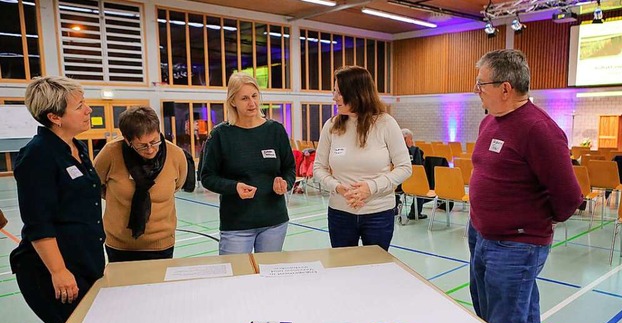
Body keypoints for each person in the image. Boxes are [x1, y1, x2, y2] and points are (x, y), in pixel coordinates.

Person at [468, 49, 582, 323]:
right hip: (481, 234)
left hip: (516, 244)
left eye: (481, 84)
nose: (477, 90)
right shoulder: (489, 122)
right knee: (503, 311)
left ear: (505, 88)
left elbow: (569, 197)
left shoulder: (538, 129)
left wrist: (537, 223)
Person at [9, 76, 105, 323]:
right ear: (55, 117)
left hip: (85, 261)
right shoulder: (38, 155)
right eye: (79, 106)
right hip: (53, 270)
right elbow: (38, 222)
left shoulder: (76, 147)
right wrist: (59, 271)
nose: (88, 109)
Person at [314, 66, 411, 251]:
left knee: (375, 269)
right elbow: (318, 168)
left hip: (378, 213)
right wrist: (338, 188)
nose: (334, 97)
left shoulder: (386, 123)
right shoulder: (331, 126)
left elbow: (405, 167)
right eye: (334, 91)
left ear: (357, 93)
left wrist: (371, 188)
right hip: (340, 213)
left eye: (340, 92)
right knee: (343, 268)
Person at [200, 72, 295, 254]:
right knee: (236, 278)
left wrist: (285, 183)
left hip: (274, 222)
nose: (252, 103)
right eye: (244, 98)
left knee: (268, 277)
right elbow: (207, 177)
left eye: (254, 96)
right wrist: (234, 187)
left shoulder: (275, 130)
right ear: (233, 101)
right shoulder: (220, 135)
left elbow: (289, 168)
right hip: (236, 224)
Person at [94, 106, 187, 262]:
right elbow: (95, 187)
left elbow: (177, 186)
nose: (150, 150)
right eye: (142, 145)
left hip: (161, 245)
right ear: (127, 140)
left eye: (154, 141)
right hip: (120, 245)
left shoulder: (176, 155)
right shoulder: (110, 153)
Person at [400, 128, 427, 220]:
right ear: (404, 138)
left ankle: (395, 208)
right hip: (411, 185)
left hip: (396, 185)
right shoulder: (415, 151)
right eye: (410, 139)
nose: (412, 141)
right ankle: (415, 212)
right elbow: (419, 168)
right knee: (421, 185)